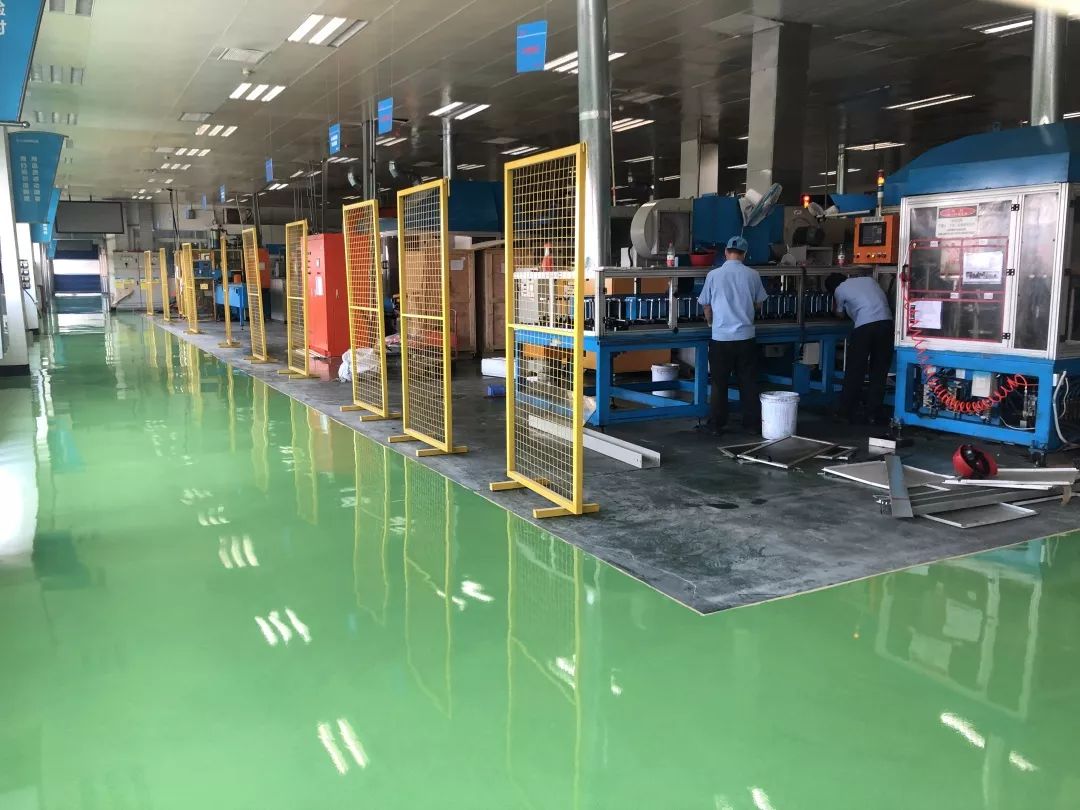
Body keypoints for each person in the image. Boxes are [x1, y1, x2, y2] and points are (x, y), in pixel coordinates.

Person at [697, 236, 768, 435]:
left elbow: (706, 305)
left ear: (726, 252)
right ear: (744, 254)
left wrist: (711, 323)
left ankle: (716, 425)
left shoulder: (714, 275)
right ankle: (752, 424)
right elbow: (759, 304)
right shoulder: (753, 275)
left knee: (719, 383)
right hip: (746, 338)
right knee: (748, 382)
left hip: (721, 338)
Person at [826, 271, 894, 425]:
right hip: (886, 324)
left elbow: (839, 314)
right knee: (879, 371)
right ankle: (873, 414)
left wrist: (835, 306)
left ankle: (845, 412)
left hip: (865, 327)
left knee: (855, 370)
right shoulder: (869, 280)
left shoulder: (839, 290)